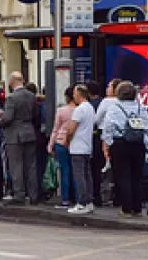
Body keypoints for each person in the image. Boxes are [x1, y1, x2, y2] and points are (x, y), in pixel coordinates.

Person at [102, 81, 148, 217]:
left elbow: (108, 127)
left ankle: (126, 208)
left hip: (120, 143)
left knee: (123, 176)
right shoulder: (139, 108)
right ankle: (137, 208)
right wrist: (146, 142)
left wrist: (107, 144)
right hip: (138, 143)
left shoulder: (115, 108)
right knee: (137, 176)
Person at [0, 72, 39, 206]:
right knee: (31, 166)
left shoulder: (11, 98)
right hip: (29, 133)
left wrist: (0, 120)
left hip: (14, 136)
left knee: (16, 166)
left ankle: (19, 195)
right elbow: (35, 115)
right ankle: (34, 196)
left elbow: (8, 118)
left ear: (12, 81)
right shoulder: (31, 96)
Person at [66, 84, 97, 214]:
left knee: (79, 176)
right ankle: (89, 202)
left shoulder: (79, 110)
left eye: (74, 93)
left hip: (77, 146)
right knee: (87, 175)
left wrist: (67, 141)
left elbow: (71, 128)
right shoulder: (90, 108)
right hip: (87, 146)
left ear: (79, 95)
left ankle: (81, 203)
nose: (73, 96)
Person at [48, 86, 77, 209]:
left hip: (61, 142)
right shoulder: (80, 110)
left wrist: (50, 144)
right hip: (76, 143)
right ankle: (76, 198)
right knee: (76, 172)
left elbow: (55, 129)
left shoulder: (61, 111)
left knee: (65, 171)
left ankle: (65, 199)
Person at [86, 80, 105, 206]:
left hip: (94, 139)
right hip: (103, 138)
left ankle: (95, 195)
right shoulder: (103, 102)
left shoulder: (90, 106)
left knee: (93, 169)